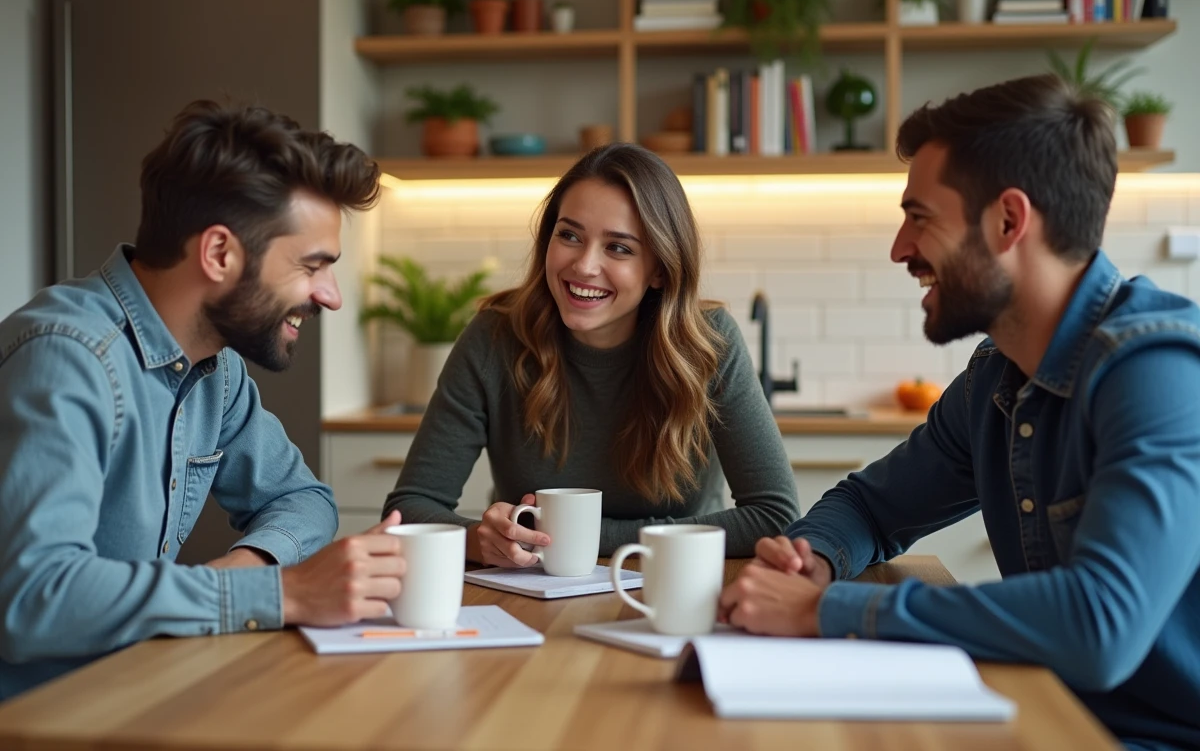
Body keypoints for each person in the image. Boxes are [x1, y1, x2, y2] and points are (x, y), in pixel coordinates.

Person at [719, 74, 1200, 751]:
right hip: (1046, 714)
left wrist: (827, 610)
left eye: (920, 216)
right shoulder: (995, 378)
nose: (899, 248)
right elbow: (870, 507)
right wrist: (815, 560)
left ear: (1009, 221)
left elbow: (1100, 626)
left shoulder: (1158, 371)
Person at [0, 100, 407, 701]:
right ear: (219, 254)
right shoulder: (67, 356)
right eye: (312, 266)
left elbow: (304, 501)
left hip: (127, 693)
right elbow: (35, 598)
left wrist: (242, 572)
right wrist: (283, 593)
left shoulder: (217, 371)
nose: (331, 296)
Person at [382, 143, 799, 564]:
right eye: (569, 235)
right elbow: (409, 509)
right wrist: (479, 539)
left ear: (659, 268)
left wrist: (581, 537)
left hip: (672, 583)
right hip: (533, 587)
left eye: (618, 247)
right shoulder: (495, 337)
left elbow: (775, 517)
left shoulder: (710, 344)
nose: (583, 266)